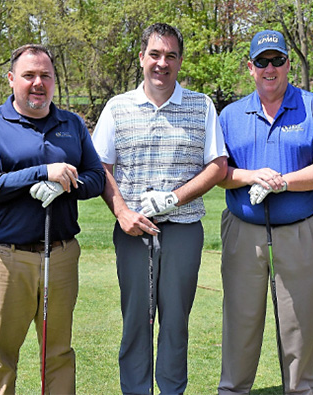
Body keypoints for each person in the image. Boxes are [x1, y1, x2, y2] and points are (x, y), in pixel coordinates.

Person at [92, 23, 228, 394]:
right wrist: (121, 211)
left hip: (183, 226)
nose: (162, 63)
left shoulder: (201, 105)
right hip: (133, 229)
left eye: (170, 55)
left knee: (175, 321)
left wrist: (174, 198)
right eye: (155, 54)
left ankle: (171, 390)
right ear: (141, 58)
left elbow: (218, 166)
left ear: (180, 61)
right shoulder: (118, 107)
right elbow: (100, 165)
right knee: (136, 317)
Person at [0, 44, 106, 394]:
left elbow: (96, 177)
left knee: (58, 353)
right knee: (1, 355)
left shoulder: (71, 124)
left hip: (60, 255)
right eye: (29, 75)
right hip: (6, 258)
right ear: (12, 79)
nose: (37, 83)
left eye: (45, 75)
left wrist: (66, 187)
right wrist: (39, 174)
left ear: (55, 80)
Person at [217, 30, 313, 395]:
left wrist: (282, 182)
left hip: (299, 230)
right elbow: (218, 172)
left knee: (300, 326)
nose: (269, 68)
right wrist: (251, 176)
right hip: (243, 230)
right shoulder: (231, 114)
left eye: (277, 60)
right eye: (262, 61)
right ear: (250, 67)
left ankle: (301, 391)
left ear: (288, 63)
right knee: (240, 322)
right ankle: (233, 391)